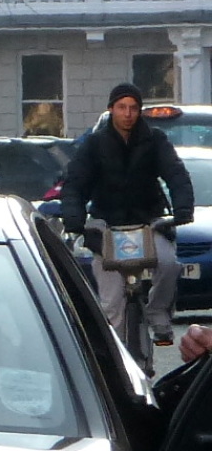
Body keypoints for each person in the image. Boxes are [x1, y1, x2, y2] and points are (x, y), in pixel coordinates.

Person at [59, 82, 194, 348]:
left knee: (168, 264)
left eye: (133, 108)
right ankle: (119, 362)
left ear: (140, 111)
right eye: (122, 107)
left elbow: (176, 174)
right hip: (107, 225)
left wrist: (182, 209)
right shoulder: (94, 144)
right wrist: (74, 219)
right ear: (111, 110)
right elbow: (75, 184)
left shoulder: (155, 140)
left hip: (148, 221)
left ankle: (158, 313)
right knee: (112, 302)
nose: (128, 113)